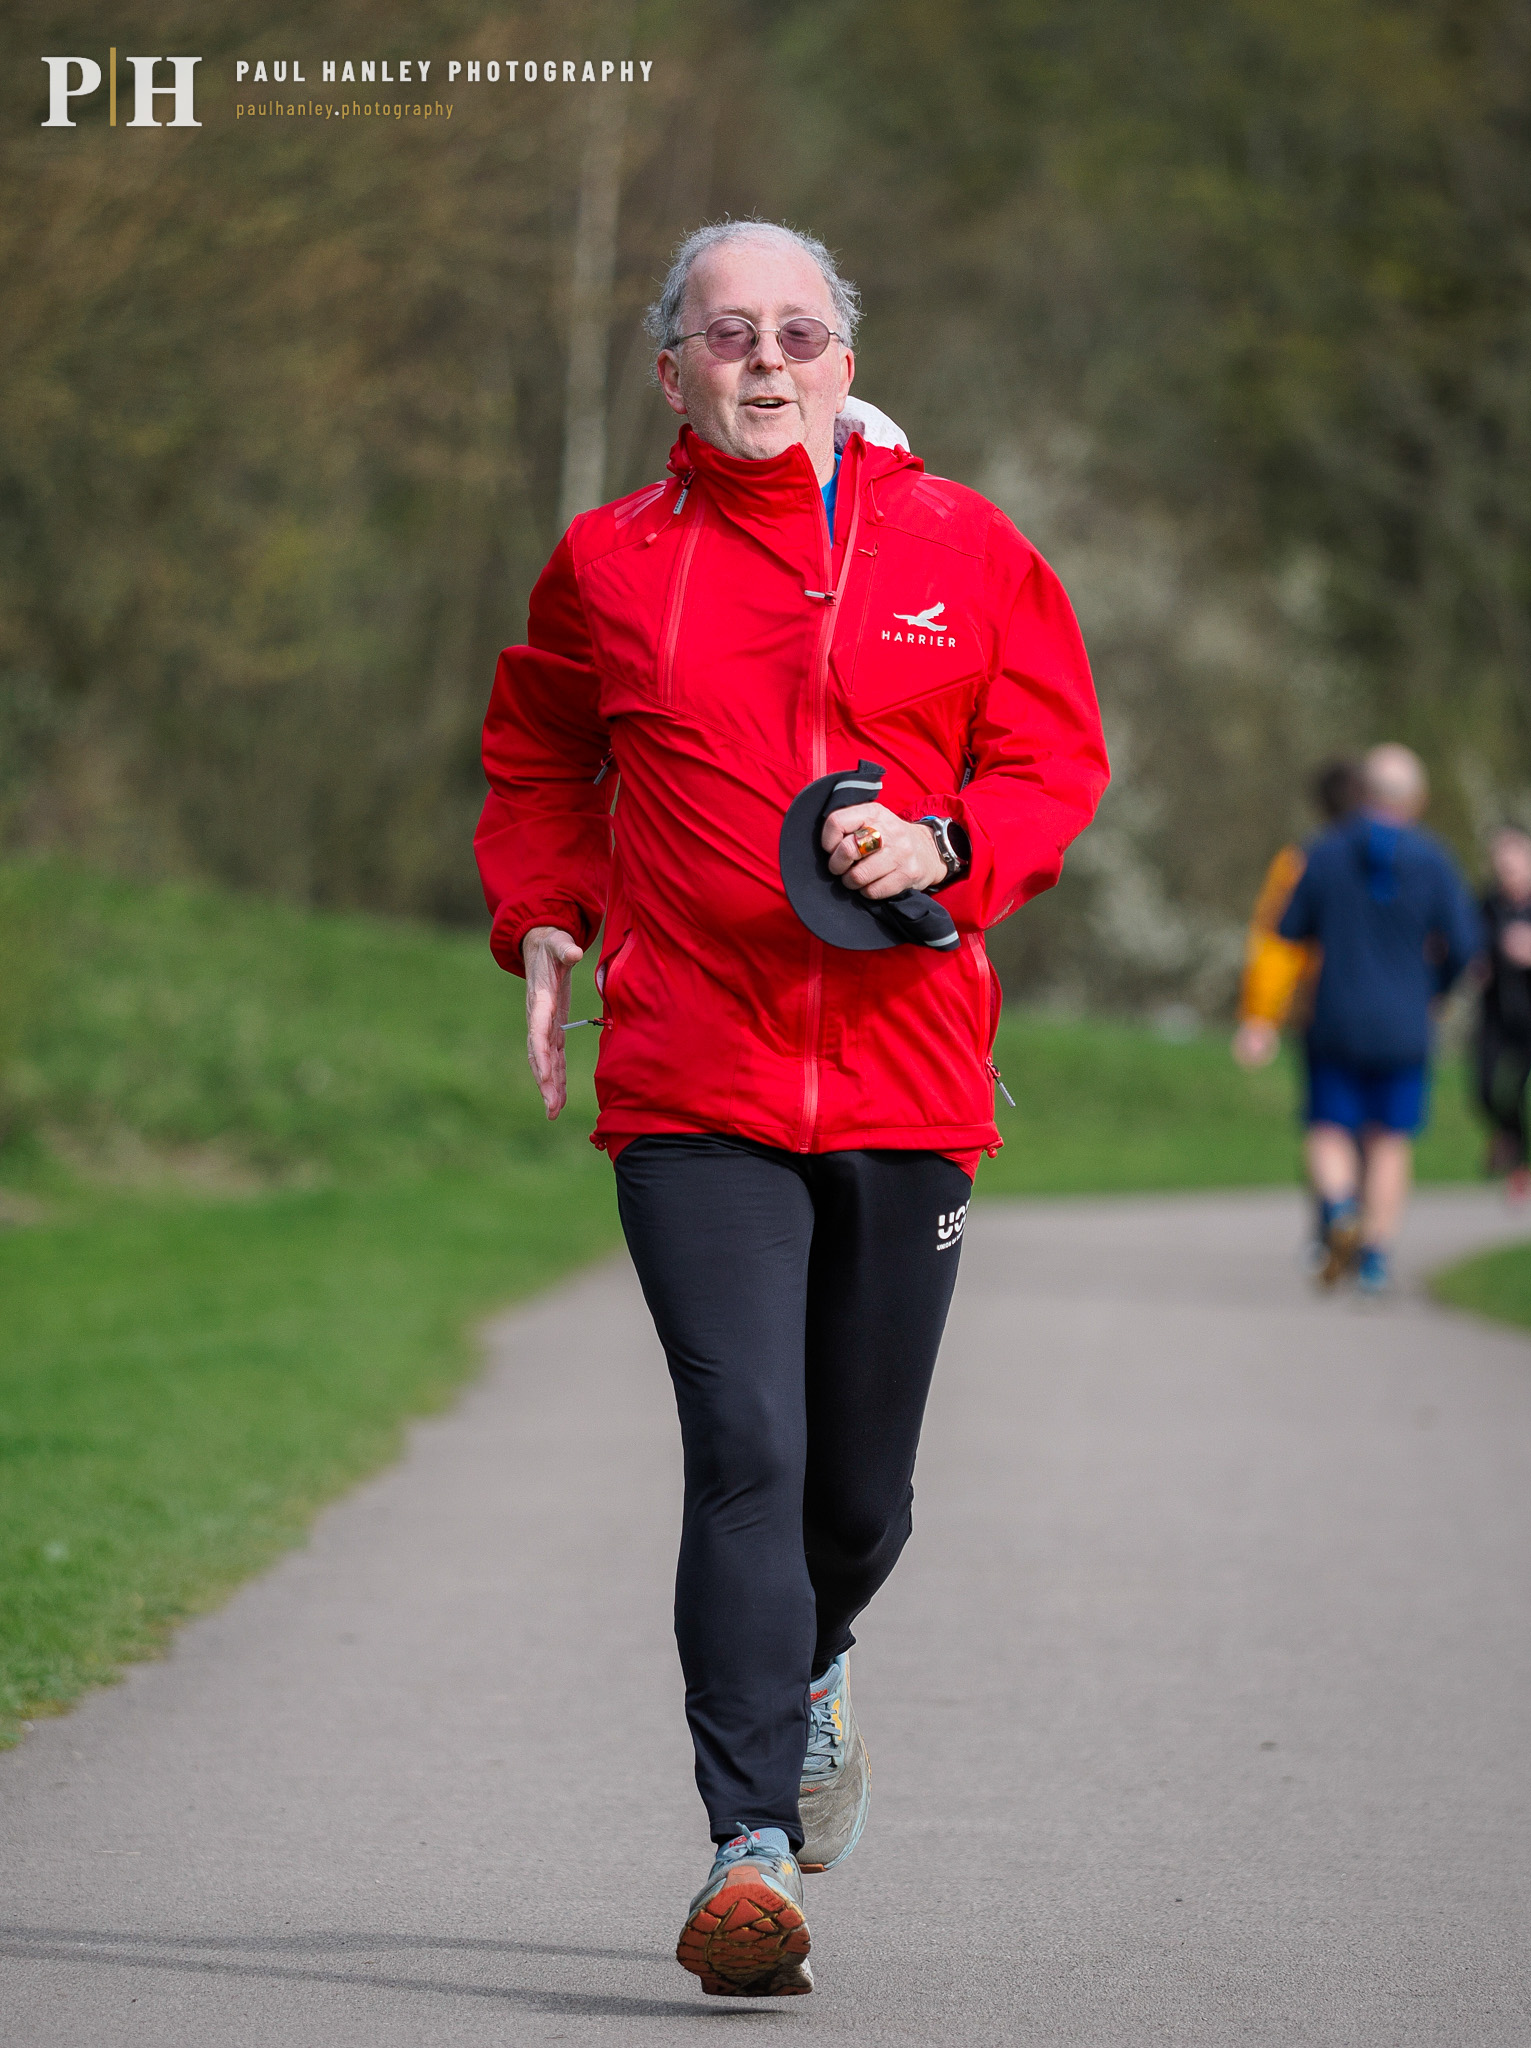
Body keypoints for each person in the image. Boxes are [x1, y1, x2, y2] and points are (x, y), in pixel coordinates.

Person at [474, 219, 1108, 1997]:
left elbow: (1053, 756)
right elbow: (537, 755)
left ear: (844, 361)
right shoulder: (607, 564)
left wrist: (947, 842)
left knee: (860, 1496)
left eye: (800, 331)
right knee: (744, 1446)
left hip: (909, 1069)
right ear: (670, 367)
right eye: (729, 332)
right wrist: (539, 911)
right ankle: (746, 1850)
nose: (766, 358)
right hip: (694, 1073)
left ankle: (816, 1661)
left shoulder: (963, 544)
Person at [1275, 743, 1479, 1292]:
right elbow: (1464, 946)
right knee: (1390, 1139)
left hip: (1334, 1015)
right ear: (1418, 799)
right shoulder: (1436, 859)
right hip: (1406, 1022)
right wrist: (1436, 990)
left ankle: (1340, 1211)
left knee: (1328, 1129)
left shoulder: (1322, 852)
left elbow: (1288, 929)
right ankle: (1373, 1259)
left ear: (1363, 792)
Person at [1231, 759, 1361, 1072]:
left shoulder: (1302, 863)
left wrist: (1260, 1016)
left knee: (1329, 1118)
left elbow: (1278, 942)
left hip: (1327, 1009)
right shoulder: (1417, 864)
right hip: (1398, 1019)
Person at [1473, 827, 1531, 1201]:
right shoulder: (1487, 904)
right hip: (1495, 1013)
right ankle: (1505, 1136)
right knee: (1482, 1087)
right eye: (1501, 869)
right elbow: (1470, 943)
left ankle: (1521, 1166)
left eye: (1513, 868)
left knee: (1519, 1092)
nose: (1507, 876)